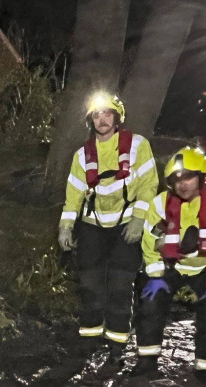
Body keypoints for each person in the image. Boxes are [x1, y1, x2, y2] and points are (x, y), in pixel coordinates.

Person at [58, 92, 158, 367]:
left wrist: (139, 219)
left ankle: (117, 344)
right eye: (97, 115)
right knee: (89, 284)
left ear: (116, 118)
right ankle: (90, 338)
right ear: (91, 120)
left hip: (127, 224)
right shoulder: (83, 155)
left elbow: (149, 185)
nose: (102, 119)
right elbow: (74, 195)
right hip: (93, 226)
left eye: (107, 114)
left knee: (119, 286)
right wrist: (66, 227)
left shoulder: (138, 146)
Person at [133, 146, 206, 384]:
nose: (182, 184)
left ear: (203, 177)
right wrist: (156, 274)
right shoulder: (160, 203)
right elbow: (149, 241)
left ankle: (205, 368)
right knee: (150, 305)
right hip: (170, 267)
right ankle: (147, 361)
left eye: (189, 176)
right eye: (176, 179)